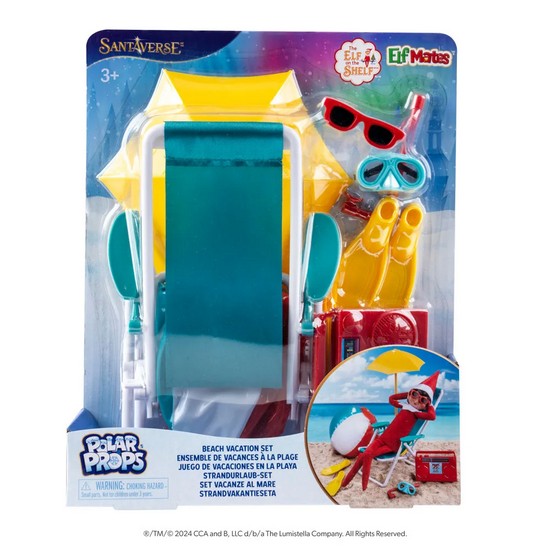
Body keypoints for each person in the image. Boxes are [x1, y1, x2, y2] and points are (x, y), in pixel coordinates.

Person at [342, 371, 440, 490]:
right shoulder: (404, 406)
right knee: (364, 454)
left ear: (426, 404)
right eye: (414, 394)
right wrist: (407, 394)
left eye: (422, 400)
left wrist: (429, 405)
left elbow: (432, 416)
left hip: (393, 445)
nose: (416, 401)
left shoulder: (417, 413)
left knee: (367, 454)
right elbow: (391, 398)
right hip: (383, 438)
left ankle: (363, 486)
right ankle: (347, 482)